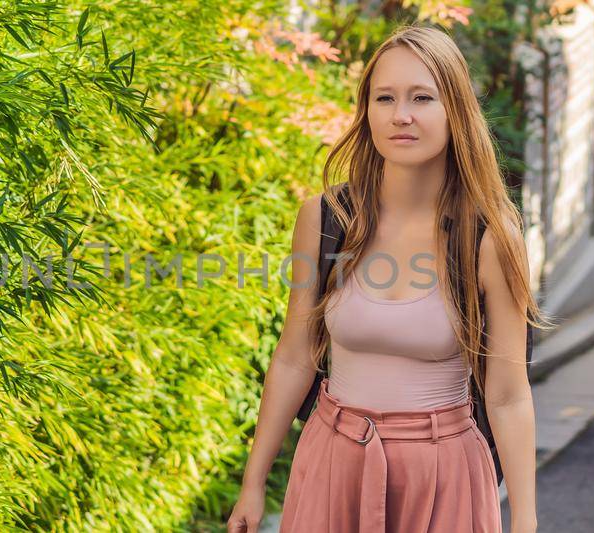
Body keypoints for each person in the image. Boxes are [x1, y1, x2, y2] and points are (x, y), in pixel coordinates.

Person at [227, 24, 554, 533]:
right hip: (331, 463)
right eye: (385, 98)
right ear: (368, 111)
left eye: (422, 97)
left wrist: (526, 522)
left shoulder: (488, 237)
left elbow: (508, 395)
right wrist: (253, 483)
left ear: (455, 112)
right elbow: (294, 355)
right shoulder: (326, 218)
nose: (401, 115)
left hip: (444, 475)